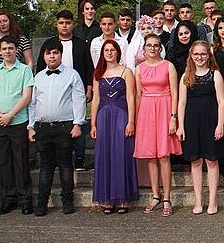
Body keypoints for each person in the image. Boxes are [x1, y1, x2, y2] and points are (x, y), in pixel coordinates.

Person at [28, 38, 87, 216]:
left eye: (55, 53)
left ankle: (67, 201)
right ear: (44, 56)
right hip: (43, 128)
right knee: (46, 167)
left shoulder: (72, 75)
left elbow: (79, 100)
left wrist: (78, 123)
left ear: (61, 55)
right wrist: (31, 126)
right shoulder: (38, 77)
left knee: (65, 165)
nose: (52, 56)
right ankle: (41, 203)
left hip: (65, 127)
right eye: (48, 53)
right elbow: (32, 104)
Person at [36, 10, 94, 171]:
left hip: (76, 87)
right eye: (61, 23)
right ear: (57, 24)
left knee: (78, 121)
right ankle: (55, 158)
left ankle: (80, 157)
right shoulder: (49, 44)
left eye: (68, 23)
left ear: (72, 24)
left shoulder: (81, 44)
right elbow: (40, 68)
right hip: (54, 89)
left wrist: (89, 88)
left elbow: (89, 67)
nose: (64, 26)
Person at [0, 35, 34, 215]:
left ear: (16, 49)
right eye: (4, 49)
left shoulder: (25, 70)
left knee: (21, 161)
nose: (8, 51)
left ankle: (25, 199)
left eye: (11, 48)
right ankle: (9, 199)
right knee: (4, 161)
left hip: (18, 121)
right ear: (0, 51)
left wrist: (11, 114)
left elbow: (27, 96)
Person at [133, 34, 182, 217]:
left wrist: (173, 117)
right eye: (149, 45)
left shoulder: (168, 66)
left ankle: (167, 197)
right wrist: (137, 119)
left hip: (164, 109)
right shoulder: (139, 69)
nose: (152, 48)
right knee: (150, 156)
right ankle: (155, 195)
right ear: (144, 48)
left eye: (155, 45)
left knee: (163, 155)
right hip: (146, 110)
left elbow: (176, 94)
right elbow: (137, 95)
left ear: (160, 47)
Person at [177, 41, 224, 215]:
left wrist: (220, 124)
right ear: (191, 55)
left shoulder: (215, 75)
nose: (200, 57)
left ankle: (213, 200)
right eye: (196, 54)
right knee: (195, 161)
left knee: (212, 160)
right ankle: (199, 200)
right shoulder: (186, 76)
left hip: (211, 121)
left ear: (208, 55)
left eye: (203, 54)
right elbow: (181, 103)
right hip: (191, 122)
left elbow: (221, 102)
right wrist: (180, 126)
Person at [90, 40, 139, 214]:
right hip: (103, 116)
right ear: (102, 53)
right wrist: (93, 123)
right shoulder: (98, 73)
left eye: (112, 50)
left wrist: (131, 121)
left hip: (121, 115)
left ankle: (123, 198)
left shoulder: (127, 71)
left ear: (118, 52)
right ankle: (107, 199)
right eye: (106, 50)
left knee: (122, 154)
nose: (109, 53)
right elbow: (95, 99)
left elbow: (131, 98)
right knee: (105, 155)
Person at [0, 9, 34, 168]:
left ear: (10, 20)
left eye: (5, 20)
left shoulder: (21, 38)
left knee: (20, 157)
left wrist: (23, 74)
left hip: (18, 78)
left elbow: (29, 61)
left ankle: (23, 192)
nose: (2, 24)